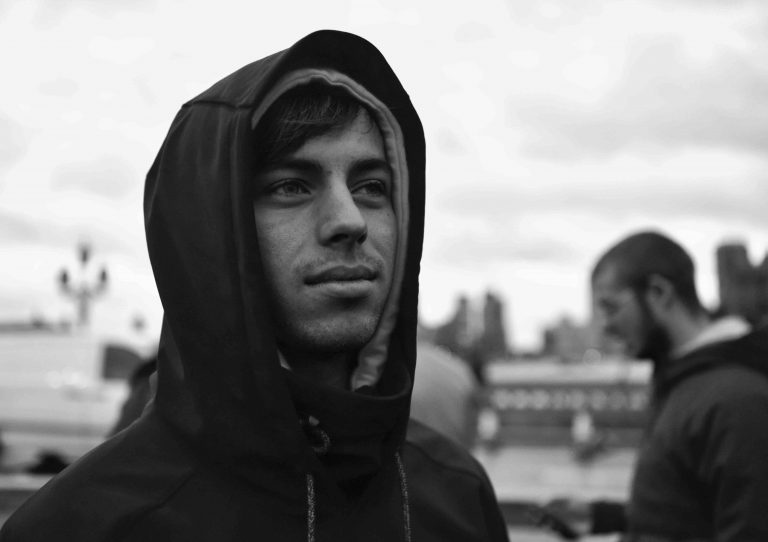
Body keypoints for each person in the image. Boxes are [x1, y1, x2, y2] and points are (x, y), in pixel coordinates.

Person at [0, 30, 509, 541]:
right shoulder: (83, 525)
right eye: (292, 186)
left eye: (371, 187)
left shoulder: (459, 497)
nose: (349, 220)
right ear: (210, 230)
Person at [547, 230, 768, 541]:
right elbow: (694, 512)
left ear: (659, 292)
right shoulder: (687, 380)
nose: (605, 325)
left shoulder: (736, 400)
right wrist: (605, 517)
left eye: (611, 307)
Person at [410, 341, 479, 449]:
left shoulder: (390, 367)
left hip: (407, 457)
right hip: (453, 456)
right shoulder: (458, 368)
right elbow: (472, 424)